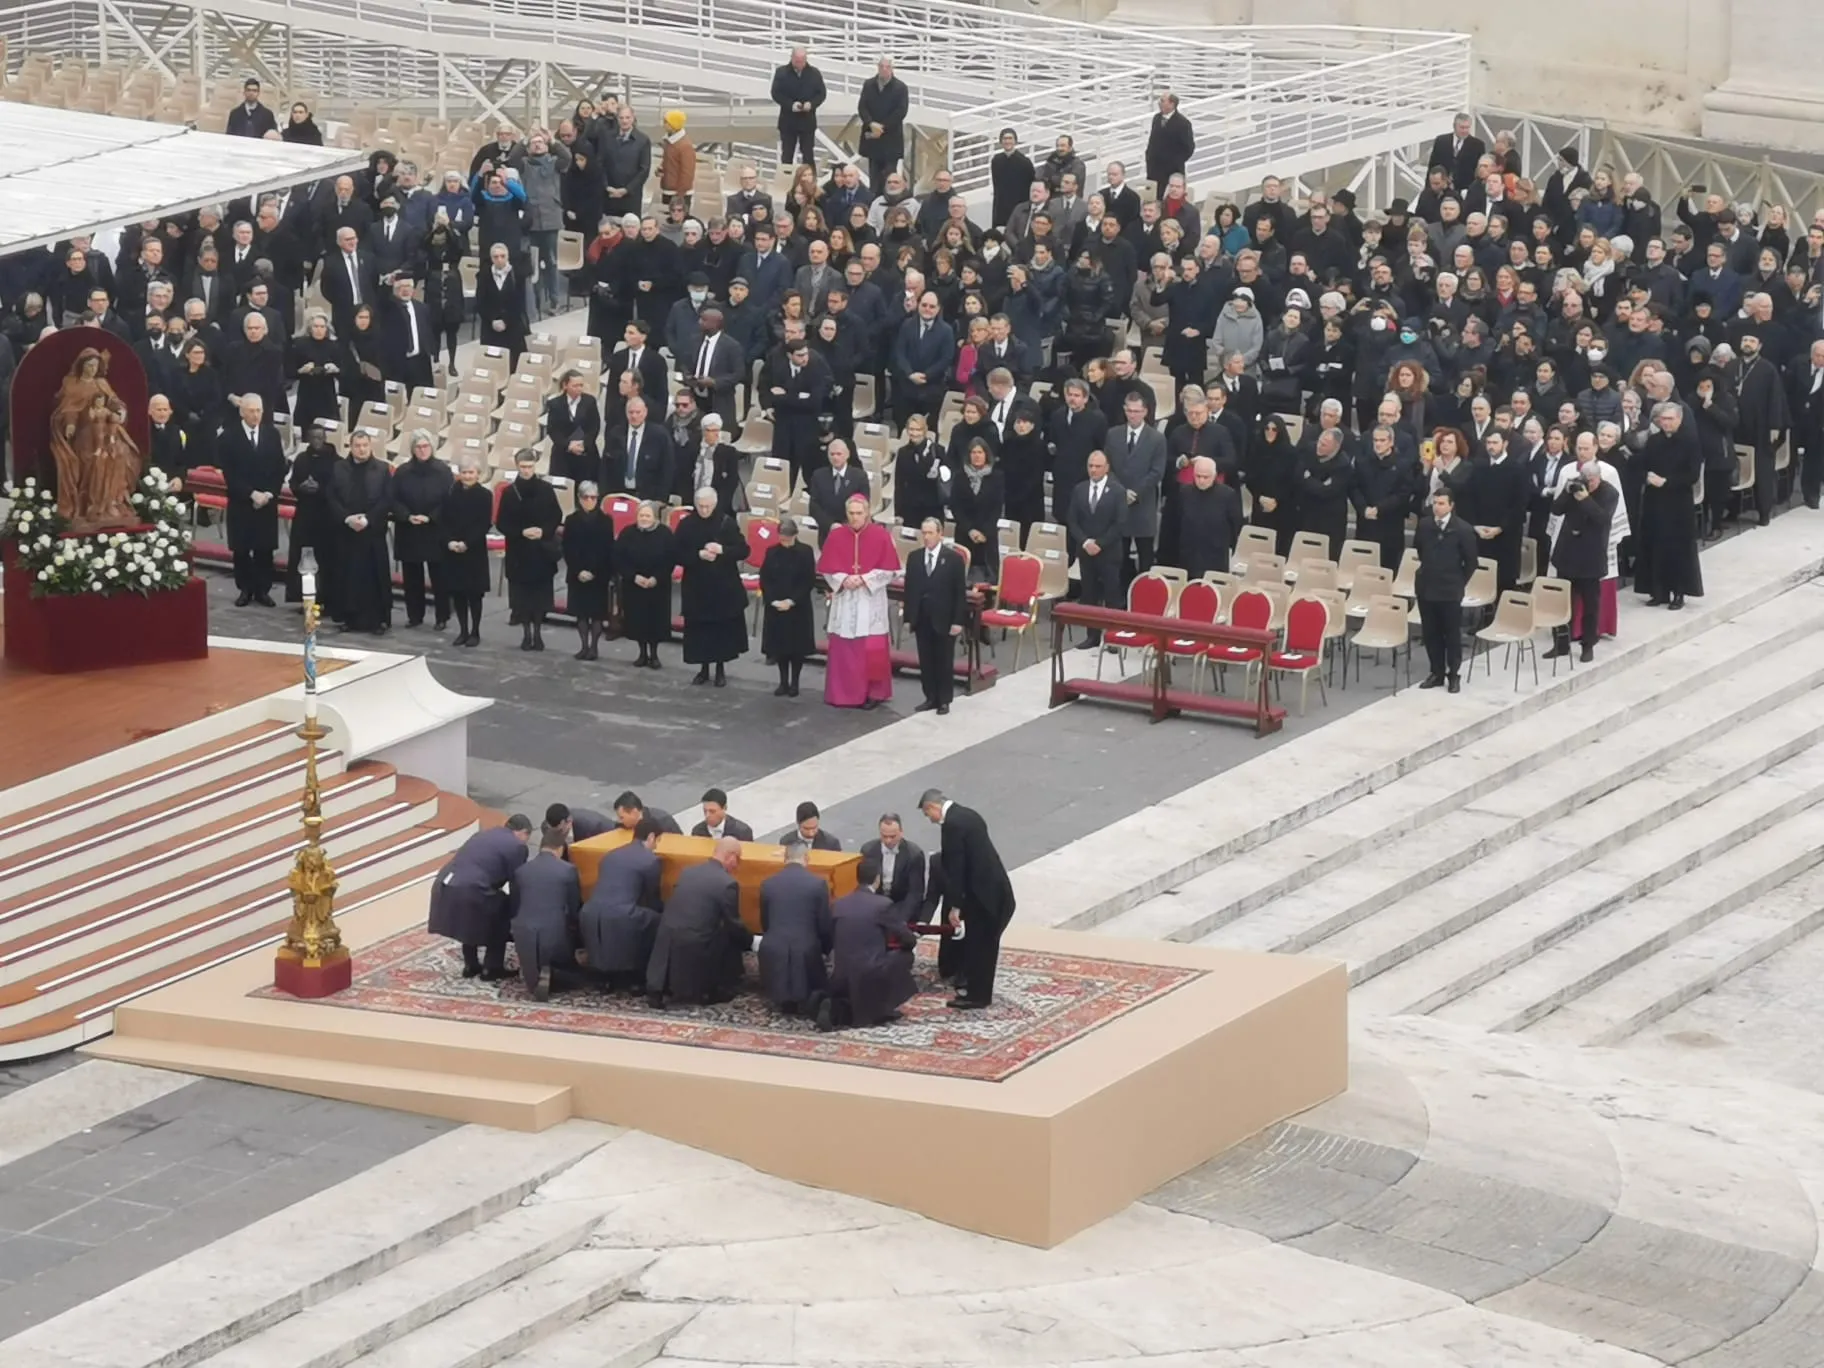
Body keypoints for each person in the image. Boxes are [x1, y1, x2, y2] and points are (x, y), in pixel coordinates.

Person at [919, 789, 1015, 1009]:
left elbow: (956, 869)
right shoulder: (969, 814)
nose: (931, 821)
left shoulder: (951, 825)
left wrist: (955, 907)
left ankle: (977, 996)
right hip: (997, 891)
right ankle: (978, 991)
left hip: (983, 898)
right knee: (986, 944)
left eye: (928, 816)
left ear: (931, 807)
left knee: (980, 945)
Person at [817, 856, 918, 1031]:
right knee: (905, 956)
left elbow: (829, 934)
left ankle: (837, 1009)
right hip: (869, 969)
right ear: (877, 879)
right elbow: (907, 937)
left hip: (841, 970)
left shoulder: (840, 904)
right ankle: (882, 1007)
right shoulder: (882, 904)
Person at [427, 813, 534, 980]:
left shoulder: (482, 834)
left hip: (445, 883)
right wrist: (518, 913)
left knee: (470, 918)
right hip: (472, 888)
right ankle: (492, 968)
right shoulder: (517, 846)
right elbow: (516, 883)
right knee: (502, 912)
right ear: (524, 832)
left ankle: (471, 965)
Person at [818, 494, 900, 709]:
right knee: (844, 648)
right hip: (845, 598)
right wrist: (844, 579)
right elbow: (826, 569)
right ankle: (843, 694)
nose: (855, 518)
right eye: (851, 513)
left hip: (870, 599)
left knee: (871, 650)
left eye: (859, 513)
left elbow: (891, 570)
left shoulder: (881, 535)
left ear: (867, 513)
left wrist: (864, 579)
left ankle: (873, 694)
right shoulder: (836, 536)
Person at [646, 836, 749, 1007]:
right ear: (731, 856)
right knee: (729, 936)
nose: (736, 866)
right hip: (695, 943)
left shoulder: (688, 872)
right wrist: (749, 941)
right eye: (737, 860)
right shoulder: (727, 883)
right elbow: (733, 924)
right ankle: (719, 988)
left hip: (667, 934)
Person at [578, 815, 665, 991]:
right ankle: (640, 977)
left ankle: (605, 976)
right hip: (622, 915)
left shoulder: (610, 855)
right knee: (659, 920)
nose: (656, 846)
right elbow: (651, 899)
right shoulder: (651, 861)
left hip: (590, 913)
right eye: (657, 840)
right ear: (651, 837)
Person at [675, 487, 749, 686]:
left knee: (720, 631)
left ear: (715, 504)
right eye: (700, 506)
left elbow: (743, 550)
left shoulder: (726, 523)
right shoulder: (687, 525)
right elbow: (676, 553)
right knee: (700, 631)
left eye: (708, 506)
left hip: (722, 586)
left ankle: (720, 669)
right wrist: (698, 555)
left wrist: (722, 550)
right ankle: (703, 668)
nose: (704, 510)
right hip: (697, 587)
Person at [1548, 458, 1620, 663]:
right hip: (1568, 553)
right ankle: (1560, 644)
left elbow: (1602, 519)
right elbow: (1556, 509)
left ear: (1598, 478)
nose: (1588, 483)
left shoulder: (1609, 493)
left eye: (1592, 480)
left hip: (1591, 556)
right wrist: (1566, 491)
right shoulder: (1574, 485)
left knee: (1590, 605)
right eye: (1585, 479)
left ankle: (1588, 645)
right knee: (1562, 603)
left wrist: (1585, 498)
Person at [1635, 399, 1704, 610]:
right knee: (1654, 544)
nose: (1666, 423)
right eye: (1663, 419)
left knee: (1677, 548)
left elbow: (1693, 474)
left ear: (1679, 419)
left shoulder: (1690, 441)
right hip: (1655, 501)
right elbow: (1643, 463)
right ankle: (1658, 591)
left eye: (1670, 419)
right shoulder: (1654, 441)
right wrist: (1647, 476)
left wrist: (1668, 482)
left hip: (1677, 503)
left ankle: (1678, 592)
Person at [218, 394, 285, 607]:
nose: (255, 415)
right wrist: (250, 493)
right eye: (251, 411)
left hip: (266, 501)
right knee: (242, 548)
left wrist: (268, 493)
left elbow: (279, 468)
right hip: (242, 501)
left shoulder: (272, 434)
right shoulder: (228, 437)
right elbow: (230, 473)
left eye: (259, 411)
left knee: (264, 548)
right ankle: (245, 589)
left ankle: (263, 590)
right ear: (242, 412)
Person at [327, 430, 394, 635]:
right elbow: (331, 496)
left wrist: (368, 519)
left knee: (375, 577)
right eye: (357, 445)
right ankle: (350, 618)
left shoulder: (382, 469)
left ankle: (378, 620)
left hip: (372, 532)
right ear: (351, 447)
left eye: (365, 445)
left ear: (370, 446)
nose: (362, 449)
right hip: (347, 532)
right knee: (348, 576)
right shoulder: (339, 468)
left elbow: (387, 499)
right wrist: (346, 518)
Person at [1414, 488, 1480, 692]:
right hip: (1426, 586)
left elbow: (1471, 562)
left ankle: (1453, 674)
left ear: (1451, 505)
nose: (1437, 507)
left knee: (1451, 634)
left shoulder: (1462, 529)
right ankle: (1436, 672)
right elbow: (1420, 549)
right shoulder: (1425, 525)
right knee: (1431, 632)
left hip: (1450, 588)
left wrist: (1459, 582)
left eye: (1441, 503)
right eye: (1435, 503)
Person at [757, 842, 834, 1014]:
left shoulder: (768, 884)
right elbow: (823, 924)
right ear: (806, 858)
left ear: (785, 859)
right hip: (805, 948)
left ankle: (784, 999)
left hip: (773, 947)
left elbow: (765, 922)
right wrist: (827, 948)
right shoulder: (817, 884)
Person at [901, 517, 968, 714]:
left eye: (930, 533)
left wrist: (958, 621)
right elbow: (910, 590)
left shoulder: (954, 559)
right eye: (924, 533)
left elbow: (959, 593)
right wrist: (908, 618)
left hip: (944, 619)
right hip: (922, 617)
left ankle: (944, 699)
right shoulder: (914, 558)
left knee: (944, 660)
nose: (927, 537)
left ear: (940, 534)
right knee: (926, 660)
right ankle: (930, 696)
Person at [497, 449, 562, 650]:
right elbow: (501, 522)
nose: (526, 471)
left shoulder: (545, 489)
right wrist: (521, 532)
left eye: (530, 467)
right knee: (522, 597)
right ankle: (526, 634)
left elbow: (556, 516)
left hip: (541, 552)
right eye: (523, 467)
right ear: (517, 467)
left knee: (540, 597)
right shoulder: (509, 493)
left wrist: (542, 531)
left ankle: (538, 633)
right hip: (519, 551)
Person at [508, 826, 582, 1001]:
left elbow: (514, 905)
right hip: (554, 933)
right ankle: (553, 973)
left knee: (531, 976)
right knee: (578, 976)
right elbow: (573, 908)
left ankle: (538, 976)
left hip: (523, 933)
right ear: (561, 848)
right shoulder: (568, 870)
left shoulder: (521, 871)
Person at [390, 430, 452, 631]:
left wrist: (431, 517)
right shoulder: (403, 472)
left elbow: (448, 500)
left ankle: (442, 616)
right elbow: (394, 499)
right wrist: (407, 516)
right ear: (412, 449)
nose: (422, 450)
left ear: (432, 447)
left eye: (426, 446)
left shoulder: (443, 471)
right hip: (409, 528)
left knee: (439, 576)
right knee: (412, 576)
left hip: (435, 529)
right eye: (418, 447)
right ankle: (414, 615)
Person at [1067, 450, 1126, 647]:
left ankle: (1113, 638)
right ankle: (1092, 636)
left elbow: (1120, 524)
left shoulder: (1117, 491)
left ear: (1107, 467)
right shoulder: (1079, 489)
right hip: (1085, 551)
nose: (1093, 470)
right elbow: (1072, 520)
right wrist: (1085, 542)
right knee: (1089, 595)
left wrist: (1100, 543)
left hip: (1109, 552)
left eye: (1098, 466)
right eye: (1091, 466)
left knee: (1112, 596)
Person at [760, 515, 817, 697]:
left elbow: (808, 580)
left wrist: (792, 601)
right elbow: (765, 578)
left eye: (788, 538)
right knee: (780, 647)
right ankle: (783, 681)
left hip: (797, 607)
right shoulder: (772, 552)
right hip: (776, 605)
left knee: (796, 648)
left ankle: (795, 682)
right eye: (782, 538)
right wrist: (772, 600)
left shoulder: (805, 552)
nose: (784, 542)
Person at [441, 459, 493, 647]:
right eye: (464, 472)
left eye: (471, 473)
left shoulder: (485, 495)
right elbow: (444, 520)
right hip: (454, 550)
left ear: (478, 474)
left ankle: (475, 631)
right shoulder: (450, 493)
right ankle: (462, 630)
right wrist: (450, 541)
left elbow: (484, 524)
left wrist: (467, 543)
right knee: (458, 594)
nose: (467, 476)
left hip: (474, 550)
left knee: (474, 594)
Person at [617, 500, 675, 668]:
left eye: (648, 515)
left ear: (655, 517)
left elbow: (669, 560)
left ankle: (654, 655)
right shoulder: (627, 533)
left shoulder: (665, 534)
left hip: (658, 586)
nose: (644, 518)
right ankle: (642, 653)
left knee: (655, 622)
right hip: (634, 585)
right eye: (641, 515)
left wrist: (656, 578)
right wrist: (634, 576)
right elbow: (619, 558)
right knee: (638, 621)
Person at [563, 481, 615, 660]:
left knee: (596, 613)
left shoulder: (606, 521)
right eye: (586, 497)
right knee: (581, 613)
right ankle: (583, 645)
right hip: (577, 572)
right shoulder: (571, 520)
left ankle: (594, 647)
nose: (590, 501)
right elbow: (568, 548)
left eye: (593, 497)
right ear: (579, 499)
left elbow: (606, 549)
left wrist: (593, 571)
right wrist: (578, 570)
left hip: (598, 573)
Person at [1174, 457, 1243, 580]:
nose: (1201, 480)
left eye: (1206, 477)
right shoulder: (1184, 493)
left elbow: (1236, 526)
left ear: (1215, 475)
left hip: (1216, 558)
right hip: (1189, 557)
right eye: (1198, 476)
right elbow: (1175, 524)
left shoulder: (1228, 495)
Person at [860, 813, 929, 927]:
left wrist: (902, 919)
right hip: (875, 903)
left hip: (901, 904)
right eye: (884, 836)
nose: (888, 840)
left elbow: (915, 892)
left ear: (901, 832)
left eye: (892, 836)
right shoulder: (868, 850)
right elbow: (864, 884)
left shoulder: (914, 854)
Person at [857, 59, 908, 193]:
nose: (884, 69)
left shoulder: (900, 87)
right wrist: (871, 123)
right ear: (877, 67)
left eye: (887, 67)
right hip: (873, 141)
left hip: (891, 141)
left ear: (892, 69)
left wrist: (882, 127)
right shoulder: (868, 84)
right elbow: (862, 107)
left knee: (890, 178)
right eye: (882, 66)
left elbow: (901, 111)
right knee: (874, 180)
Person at [771, 47, 826, 167]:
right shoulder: (781, 73)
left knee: (808, 155)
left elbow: (821, 94)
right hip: (788, 121)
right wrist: (790, 105)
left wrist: (811, 104)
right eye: (797, 61)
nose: (800, 64)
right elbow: (776, 93)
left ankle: (811, 182)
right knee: (787, 156)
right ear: (791, 58)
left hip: (807, 121)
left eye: (802, 61)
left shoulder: (814, 73)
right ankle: (786, 183)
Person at [546, 369, 603, 485]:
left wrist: (583, 444)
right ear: (565, 385)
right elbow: (553, 430)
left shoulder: (590, 402)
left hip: (585, 453)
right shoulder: (555, 404)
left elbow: (594, 426)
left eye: (581, 385)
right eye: (575, 385)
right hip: (563, 455)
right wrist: (568, 445)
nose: (579, 389)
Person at [1145, 93, 1195, 189]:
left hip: (1171, 173)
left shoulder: (1183, 123)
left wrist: (1175, 162)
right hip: (1154, 171)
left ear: (1172, 104)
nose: (1159, 103)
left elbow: (1189, 148)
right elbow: (1152, 141)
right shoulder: (1157, 118)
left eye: (1163, 101)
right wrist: (1149, 156)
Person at [691, 789, 755, 841]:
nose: (707, 815)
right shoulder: (697, 832)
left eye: (712, 811)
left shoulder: (742, 832)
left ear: (724, 808)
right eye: (705, 811)